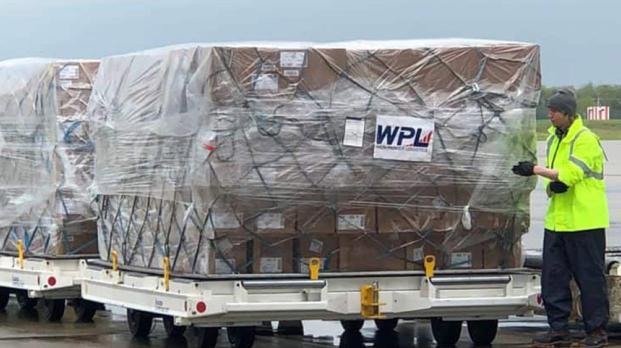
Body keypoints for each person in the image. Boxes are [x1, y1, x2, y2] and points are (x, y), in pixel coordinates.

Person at [512, 88, 609, 347]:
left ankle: (597, 331)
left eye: (554, 110)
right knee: (553, 277)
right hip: (558, 221)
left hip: (584, 222)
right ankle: (558, 328)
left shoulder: (586, 138)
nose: (550, 114)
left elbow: (571, 173)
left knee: (590, 278)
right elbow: (559, 176)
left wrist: (535, 170)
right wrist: (551, 183)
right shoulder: (555, 138)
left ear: (567, 112)